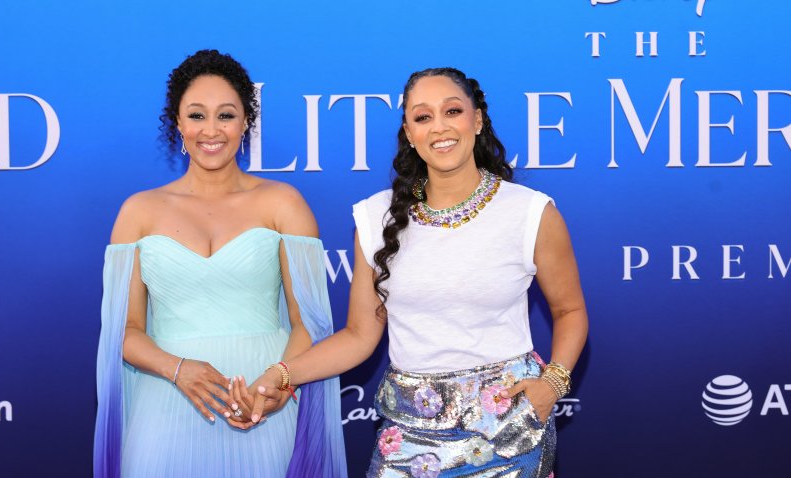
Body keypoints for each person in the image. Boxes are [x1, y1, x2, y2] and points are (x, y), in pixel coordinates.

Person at [247, 67, 588, 477]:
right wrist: (283, 374)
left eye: (453, 111)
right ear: (409, 133)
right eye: (423, 117)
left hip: (509, 430)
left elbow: (570, 311)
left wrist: (552, 383)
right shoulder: (374, 217)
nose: (439, 127)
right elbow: (359, 336)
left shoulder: (531, 212)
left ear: (477, 120)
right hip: (409, 432)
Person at [92, 49, 346, 478]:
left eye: (225, 115)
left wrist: (278, 384)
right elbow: (124, 331)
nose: (211, 130)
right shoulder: (138, 211)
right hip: (166, 403)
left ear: (246, 122)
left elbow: (310, 323)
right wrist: (177, 370)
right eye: (196, 115)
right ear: (177, 122)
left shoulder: (283, 203)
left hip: (261, 397)